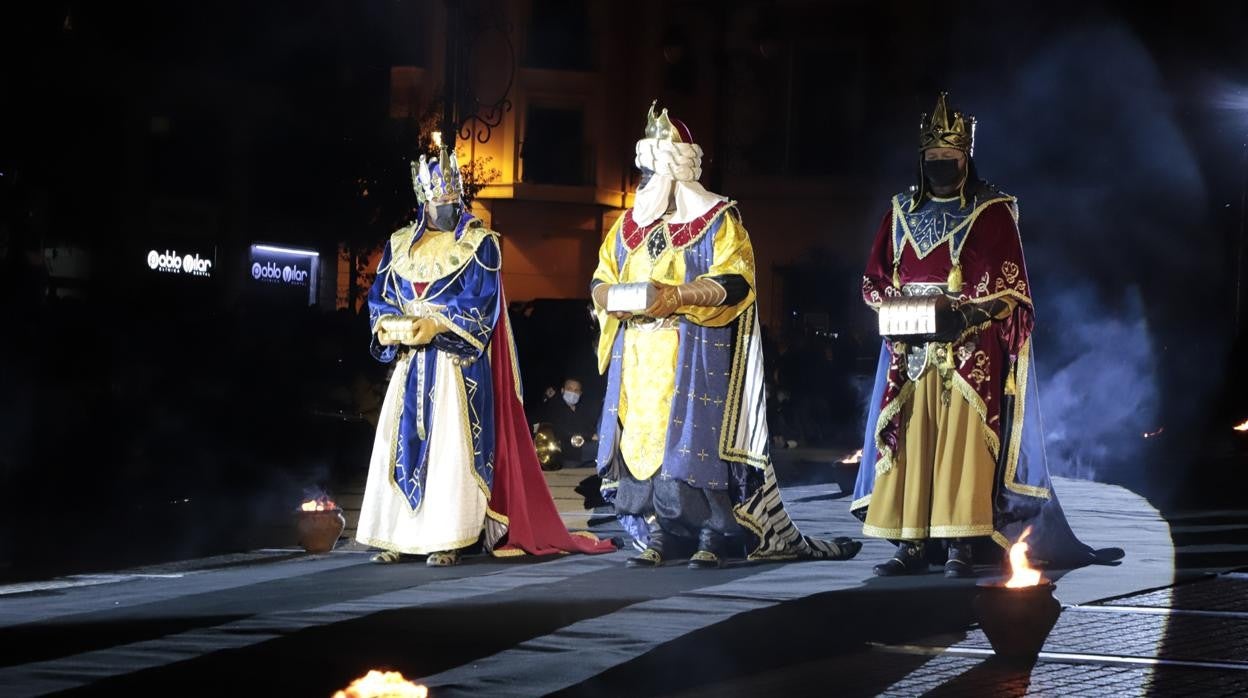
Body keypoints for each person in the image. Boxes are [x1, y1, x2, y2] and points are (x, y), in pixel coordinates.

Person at [591, 101, 860, 568]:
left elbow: (738, 280)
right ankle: (665, 532)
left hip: (694, 353)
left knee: (697, 448)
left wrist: (677, 296)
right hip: (638, 357)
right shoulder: (626, 229)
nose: (644, 184)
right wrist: (612, 297)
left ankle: (715, 534)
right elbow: (600, 278)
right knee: (642, 451)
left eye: (651, 174)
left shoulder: (716, 220)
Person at [852, 93, 1093, 577]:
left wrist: (965, 316)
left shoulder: (993, 210)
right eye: (934, 158)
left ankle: (960, 541)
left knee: (963, 444)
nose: (942, 163)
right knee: (910, 443)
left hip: (968, 346)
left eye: (951, 157)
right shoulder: (900, 210)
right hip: (910, 348)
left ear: (967, 157)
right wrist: (894, 310)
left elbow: (1014, 291)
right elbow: (874, 280)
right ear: (922, 159)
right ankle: (911, 542)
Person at [356, 145, 615, 566]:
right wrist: (387, 325)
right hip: (410, 366)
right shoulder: (399, 244)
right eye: (436, 201)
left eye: (449, 200)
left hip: (454, 368)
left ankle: (449, 536)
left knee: (448, 451)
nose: (444, 207)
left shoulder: (481, 244)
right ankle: (397, 535)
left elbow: (480, 303)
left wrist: (438, 325)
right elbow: (381, 297)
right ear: (423, 200)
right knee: (399, 445)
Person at [538, 378, 600, 470]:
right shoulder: (555, 407)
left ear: (580, 393)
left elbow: (589, 427)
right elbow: (563, 430)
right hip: (567, 453)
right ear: (562, 390)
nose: (573, 393)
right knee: (605, 450)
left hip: (582, 451)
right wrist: (590, 436)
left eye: (576, 390)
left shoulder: (581, 410)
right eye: (569, 389)